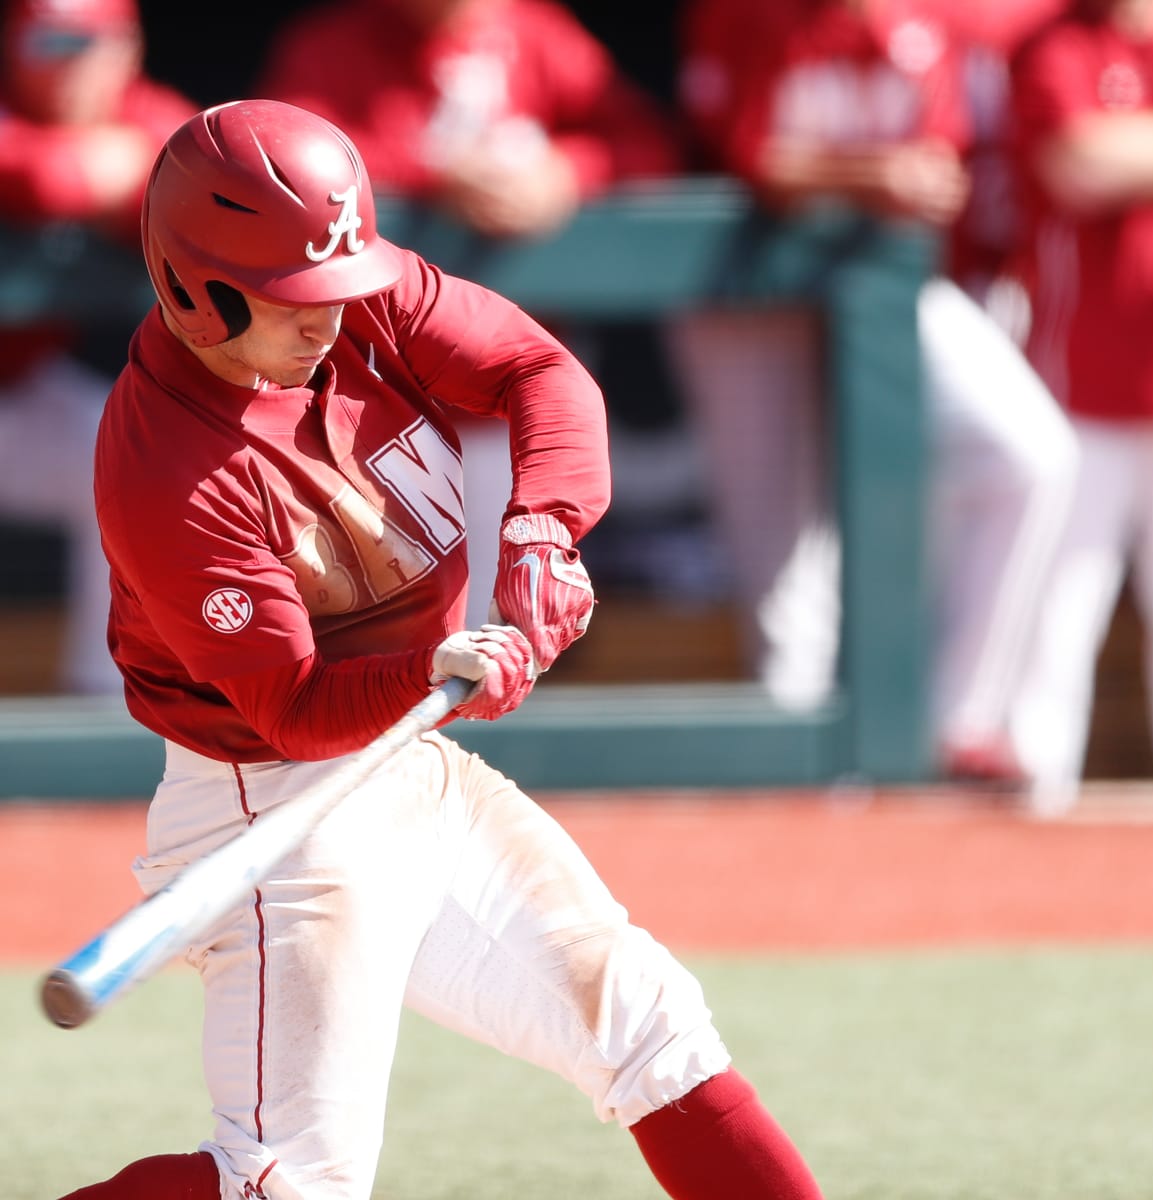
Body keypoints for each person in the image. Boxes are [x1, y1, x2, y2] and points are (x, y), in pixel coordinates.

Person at [55, 98, 825, 1200]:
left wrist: (541, 526)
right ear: (192, 288)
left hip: (408, 770)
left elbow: (537, 370)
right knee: (289, 1183)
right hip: (274, 808)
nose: (330, 319)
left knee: (651, 1027)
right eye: (290, 303)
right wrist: (434, 673)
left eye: (337, 284)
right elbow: (293, 709)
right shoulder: (168, 468)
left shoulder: (355, 290)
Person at [668, 0, 1080, 786]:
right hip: (746, 294)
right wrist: (866, 175)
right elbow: (748, 156)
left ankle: (954, 722)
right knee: (787, 581)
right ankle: (810, 803)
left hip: (881, 286)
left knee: (1029, 456)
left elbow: (947, 166)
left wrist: (903, 181)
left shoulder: (933, 21)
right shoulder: (745, 15)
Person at [255, 0, 683, 627]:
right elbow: (276, 166)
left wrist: (569, 171)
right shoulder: (329, 48)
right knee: (377, 633)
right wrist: (432, 172)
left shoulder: (538, 37)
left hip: (511, 397)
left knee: (506, 624)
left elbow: (647, 145)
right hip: (363, 403)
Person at [1005, 0, 1153, 809]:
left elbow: (1111, 154)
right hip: (1076, 385)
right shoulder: (1057, 41)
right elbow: (1080, 162)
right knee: (1053, 614)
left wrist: (1137, 149)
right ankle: (1027, 810)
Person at [0, 0, 195, 694]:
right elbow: (35, 176)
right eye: (49, 42)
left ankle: (105, 697)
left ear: (128, 49)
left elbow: (211, 173)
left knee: (133, 458)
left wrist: (130, 172)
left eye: (89, 43)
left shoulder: (141, 113)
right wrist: (79, 170)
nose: (71, 63)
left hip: (19, 392)